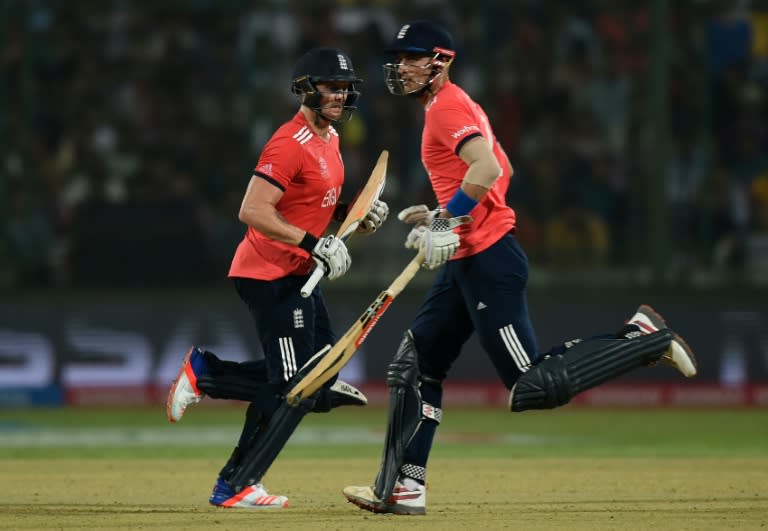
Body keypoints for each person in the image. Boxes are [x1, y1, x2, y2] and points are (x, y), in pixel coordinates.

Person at [342, 21, 698, 516]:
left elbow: (486, 170)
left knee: (533, 386)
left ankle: (641, 338)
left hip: (489, 262)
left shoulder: (446, 107)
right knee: (415, 365)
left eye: (411, 57)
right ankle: (406, 486)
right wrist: (444, 212)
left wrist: (450, 219)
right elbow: (501, 167)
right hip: (469, 258)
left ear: (439, 61)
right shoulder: (452, 105)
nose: (400, 67)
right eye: (398, 58)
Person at [165, 47, 389, 509]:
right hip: (269, 274)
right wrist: (314, 244)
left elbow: (313, 204)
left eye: (345, 87)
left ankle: (211, 379)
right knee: (294, 387)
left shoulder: (328, 139)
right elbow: (252, 210)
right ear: (305, 88)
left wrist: (354, 215)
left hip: (298, 272)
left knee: (320, 375)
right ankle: (234, 480)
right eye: (331, 86)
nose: (341, 95)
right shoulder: (288, 143)